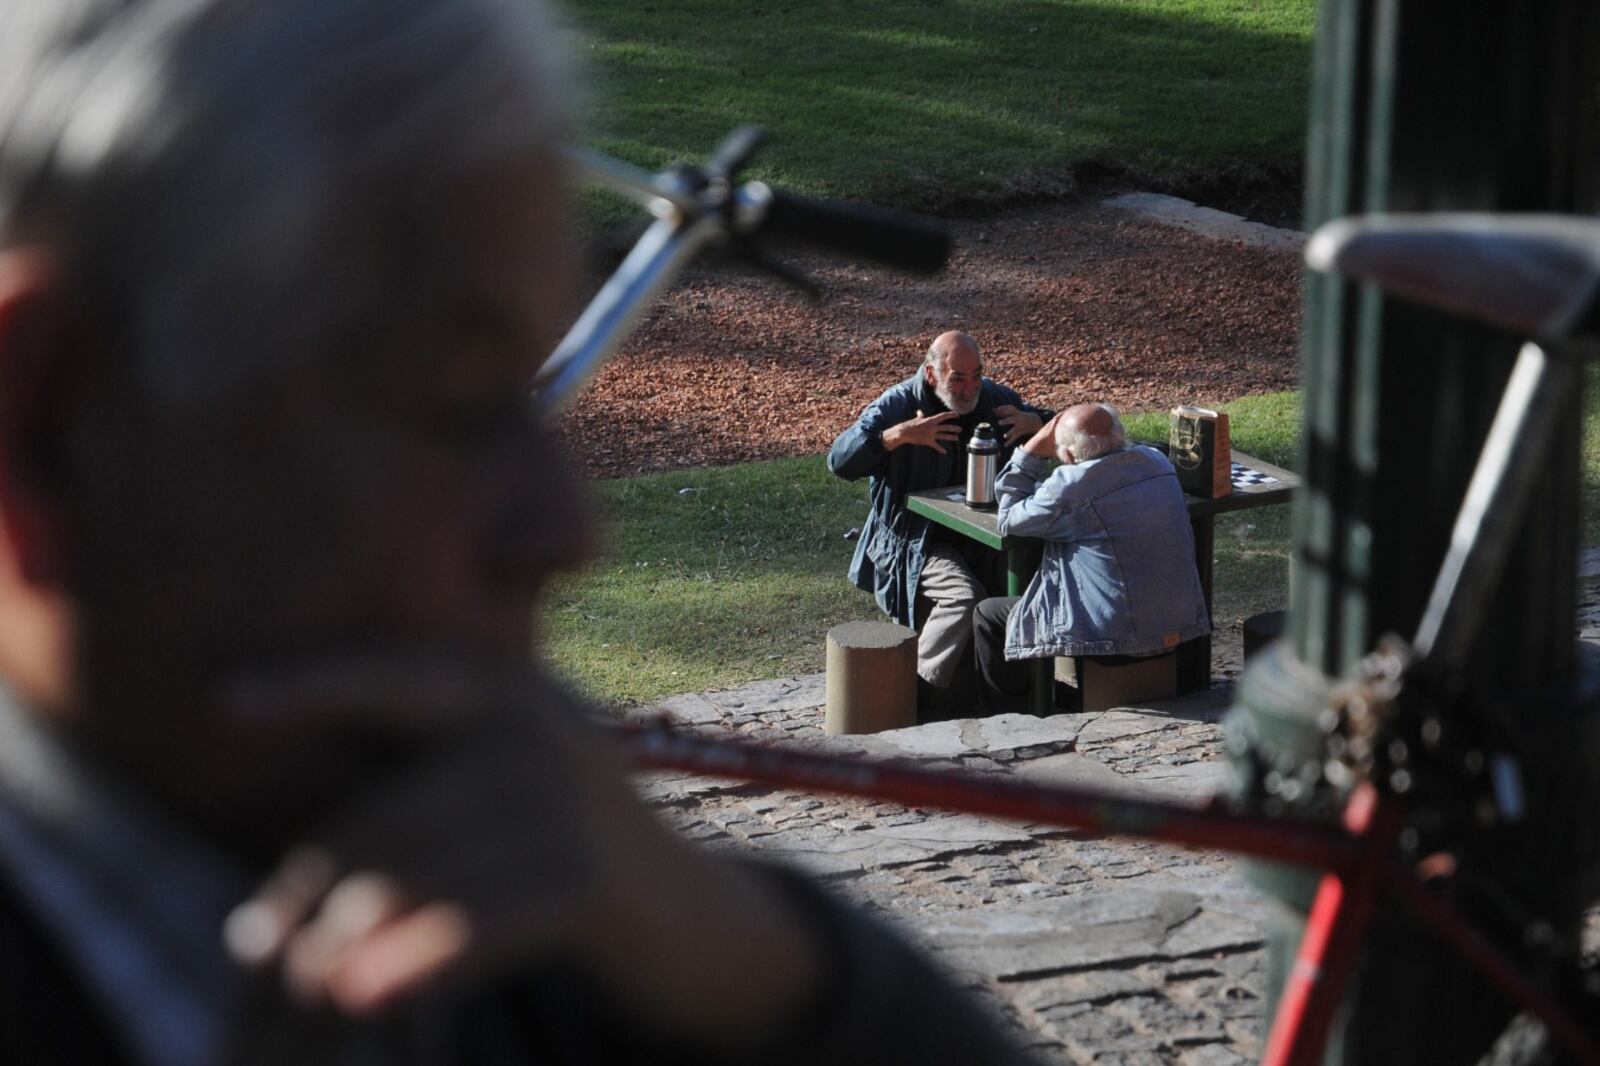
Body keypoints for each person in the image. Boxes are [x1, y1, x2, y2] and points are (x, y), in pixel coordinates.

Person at [0, 2, 1030, 1063]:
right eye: (457, 404)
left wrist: (766, 967)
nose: (567, 534)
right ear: (51, 426)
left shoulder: (526, 917)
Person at [827, 332, 1051, 708]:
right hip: (913, 539)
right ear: (932, 375)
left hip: (981, 535)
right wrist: (896, 436)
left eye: (977, 375)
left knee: (1041, 574)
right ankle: (910, 694)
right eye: (957, 378)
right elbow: (839, 461)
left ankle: (1022, 697)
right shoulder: (898, 404)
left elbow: (1077, 429)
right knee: (964, 597)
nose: (970, 388)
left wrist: (1038, 422)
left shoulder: (996, 401)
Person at [972, 404, 1211, 712]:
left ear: (1069, 456)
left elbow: (1008, 519)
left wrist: (1029, 452)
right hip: (1180, 624)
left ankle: (1017, 715)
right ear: (1119, 434)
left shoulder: (1070, 487)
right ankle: (1059, 695)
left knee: (988, 615)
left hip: (1112, 636)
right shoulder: (1158, 462)